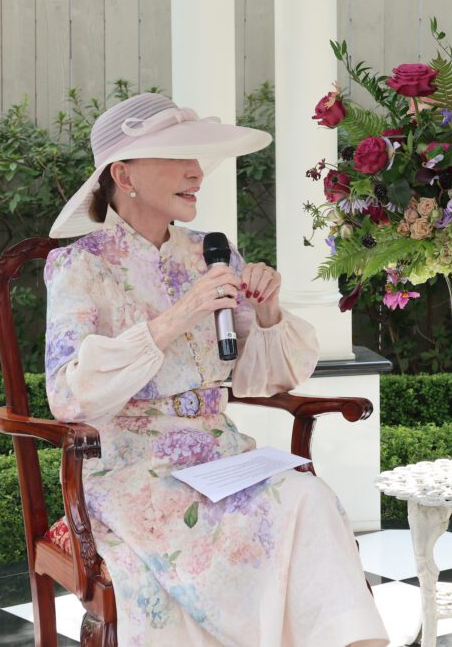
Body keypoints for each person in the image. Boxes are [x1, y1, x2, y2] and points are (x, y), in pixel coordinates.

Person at [45, 93, 389, 647]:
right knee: (263, 520)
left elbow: (262, 376)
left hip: (222, 457)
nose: (196, 171)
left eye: (197, 157)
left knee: (306, 497)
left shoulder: (211, 253)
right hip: (134, 470)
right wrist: (179, 315)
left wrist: (269, 310)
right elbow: (68, 395)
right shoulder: (79, 266)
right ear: (123, 173)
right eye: (177, 156)